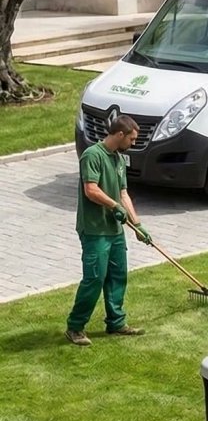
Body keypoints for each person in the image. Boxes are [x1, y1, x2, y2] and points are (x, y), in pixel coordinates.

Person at [67, 114, 145, 346]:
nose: (133, 144)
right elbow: (91, 190)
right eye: (131, 139)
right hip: (94, 230)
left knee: (117, 276)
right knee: (94, 278)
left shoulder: (118, 159)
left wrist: (138, 224)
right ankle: (75, 327)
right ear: (119, 134)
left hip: (114, 231)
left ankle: (116, 322)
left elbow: (123, 194)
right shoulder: (92, 155)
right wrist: (114, 207)